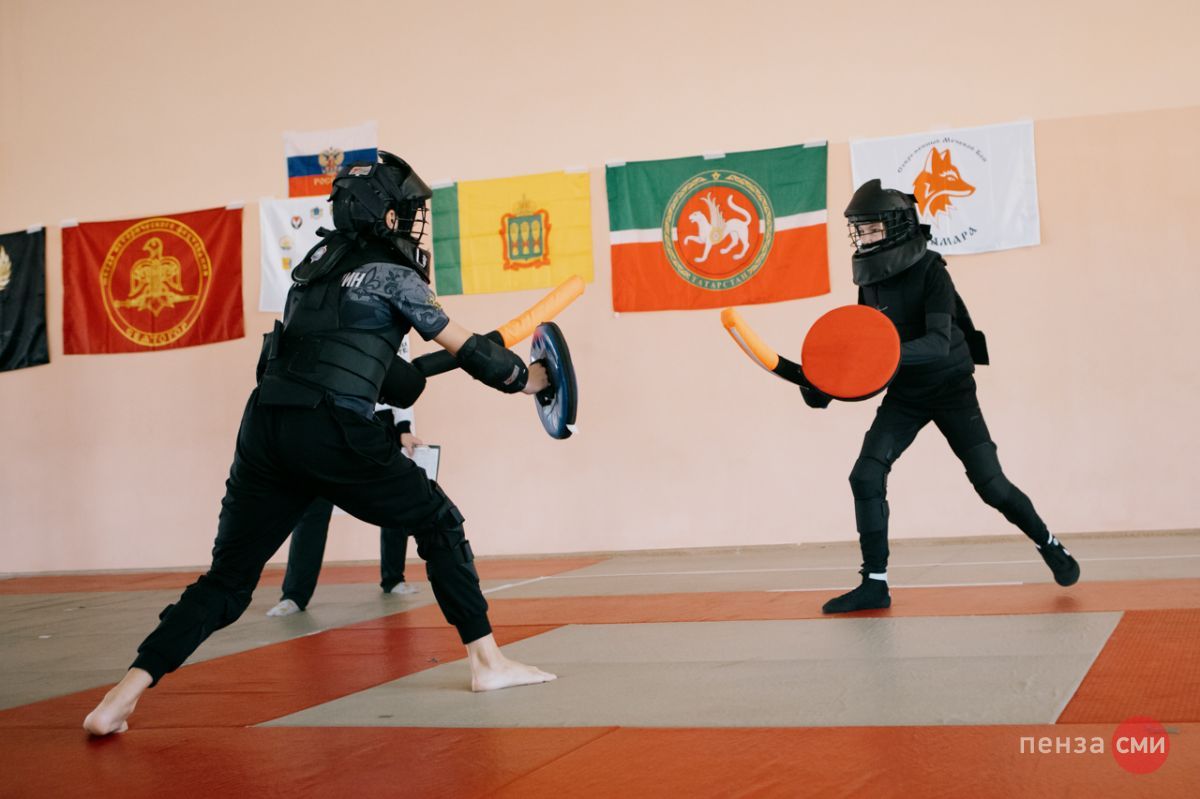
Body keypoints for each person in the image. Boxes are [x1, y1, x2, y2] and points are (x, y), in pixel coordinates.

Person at [84, 152, 556, 736]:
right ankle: (488, 663)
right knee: (438, 522)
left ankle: (119, 698)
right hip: (331, 427)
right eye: (405, 212)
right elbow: (470, 351)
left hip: (266, 427)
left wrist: (450, 363)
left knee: (226, 581)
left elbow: (394, 379)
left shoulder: (308, 277)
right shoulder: (394, 277)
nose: (410, 224)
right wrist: (528, 379)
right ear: (386, 215)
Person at [807, 179, 1079, 614]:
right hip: (907, 393)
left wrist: (879, 359)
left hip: (952, 388)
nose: (864, 237)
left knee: (991, 486)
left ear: (897, 225)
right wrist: (827, 386)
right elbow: (867, 349)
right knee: (865, 477)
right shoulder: (871, 278)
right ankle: (874, 583)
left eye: (872, 227)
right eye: (859, 229)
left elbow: (936, 343)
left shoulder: (932, 271)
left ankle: (1049, 543)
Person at [265, 411, 423, 618]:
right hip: (328, 422)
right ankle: (294, 595)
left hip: (376, 424)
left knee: (393, 503)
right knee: (313, 511)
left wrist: (404, 428)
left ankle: (394, 579)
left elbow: (398, 395)